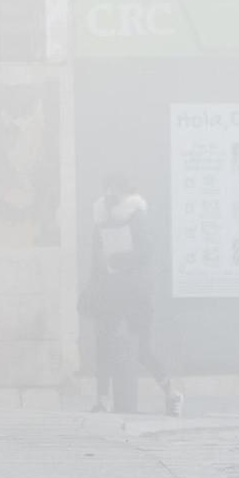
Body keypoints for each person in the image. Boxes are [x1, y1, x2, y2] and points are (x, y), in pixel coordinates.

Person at [83, 173, 180, 416]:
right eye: (106, 189)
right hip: (109, 289)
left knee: (142, 350)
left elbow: (146, 250)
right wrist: (94, 284)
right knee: (103, 344)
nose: (109, 195)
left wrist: (119, 259)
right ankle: (103, 399)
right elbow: (96, 257)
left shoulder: (137, 216)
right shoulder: (100, 220)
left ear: (124, 191)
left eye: (114, 190)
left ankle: (171, 393)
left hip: (136, 291)